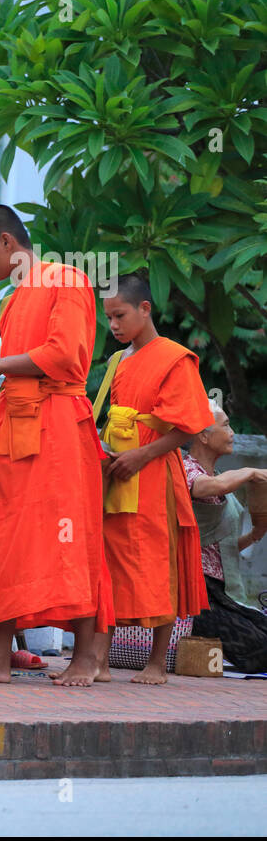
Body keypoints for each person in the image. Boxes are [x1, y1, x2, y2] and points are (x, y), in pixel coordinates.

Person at [0, 204, 112, 687]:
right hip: (16, 431)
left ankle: (86, 657)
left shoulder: (67, 278)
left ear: (6, 242)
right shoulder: (15, 299)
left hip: (59, 427)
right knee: (3, 543)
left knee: (70, 538)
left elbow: (65, 356)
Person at [97, 275, 214, 684]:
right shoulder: (118, 361)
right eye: (108, 317)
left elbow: (188, 428)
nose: (113, 325)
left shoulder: (174, 358)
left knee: (159, 558)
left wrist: (141, 456)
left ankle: (156, 662)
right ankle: (100, 659)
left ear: (145, 309)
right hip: (118, 472)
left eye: (120, 315)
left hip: (154, 473)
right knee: (110, 558)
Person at [184, 408, 267, 616]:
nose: (232, 433)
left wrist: (255, 535)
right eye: (225, 425)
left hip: (224, 591)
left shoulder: (219, 476)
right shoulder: (186, 469)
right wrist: (250, 472)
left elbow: (223, 549)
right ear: (203, 436)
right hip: (198, 590)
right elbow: (206, 487)